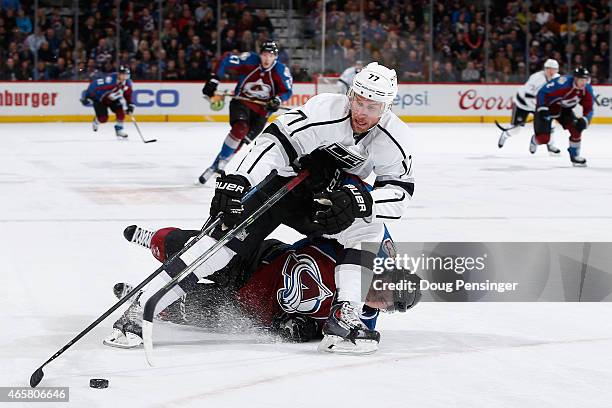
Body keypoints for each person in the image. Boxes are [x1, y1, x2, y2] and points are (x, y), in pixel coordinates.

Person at [109, 62, 415, 354]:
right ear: (350, 95)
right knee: (224, 240)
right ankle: (143, 305)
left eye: (372, 107)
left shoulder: (395, 138)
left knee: (369, 226)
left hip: (328, 205)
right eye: (358, 101)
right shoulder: (325, 109)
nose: (361, 112)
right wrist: (238, 180)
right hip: (287, 187)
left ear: (387, 107)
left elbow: (400, 194)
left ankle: (345, 317)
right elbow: (274, 142)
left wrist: (361, 201)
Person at [105, 223, 421, 348]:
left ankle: (142, 297)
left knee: (187, 309)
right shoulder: (364, 256)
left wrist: (299, 329)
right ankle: (154, 241)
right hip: (263, 259)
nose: (381, 298)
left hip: (250, 308)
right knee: (187, 246)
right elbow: (373, 226)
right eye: (388, 288)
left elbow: (327, 336)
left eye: (388, 303)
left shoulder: (358, 320)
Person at [198, 41, 293, 184]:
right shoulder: (250, 59)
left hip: (262, 112)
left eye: (271, 55)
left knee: (243, 140)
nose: (267, 58)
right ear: (260, 54)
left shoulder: (281, 70)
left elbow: (287, 91)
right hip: (241, 102)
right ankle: (222, 161)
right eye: (264, 54)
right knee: (240, 129)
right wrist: (214, 79)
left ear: (276, 57)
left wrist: (277, 100)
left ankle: (215, 165)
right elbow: (226, 59)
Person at [533, 67, 595, 166]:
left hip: (564, 110)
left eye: (585, 79)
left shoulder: (587, 89)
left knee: (577, 129)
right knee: (543, 139)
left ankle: (575, 156)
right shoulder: (563, 83)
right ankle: (535, 139)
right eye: (581, 79)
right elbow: (542, 92)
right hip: (548, 107)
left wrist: (585, 119)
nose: (584, 82)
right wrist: (542, 108)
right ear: (575, 78)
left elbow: (589, 108)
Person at [498, 59, 559, 150]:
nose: (551, 71)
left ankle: (550, 145)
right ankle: (505, 134)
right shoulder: (536, 78)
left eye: (554, 69)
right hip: (522, 103)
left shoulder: (557, 79)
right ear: (545, 69)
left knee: (552, 124)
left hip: (537, 105)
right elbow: (528, 96)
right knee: (516, 130)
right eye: (549, 69)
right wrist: (539, 109)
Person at [81, 66, 134, 139]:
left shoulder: (128, 82)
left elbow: (128, 94)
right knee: (103, 119)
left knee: (120, 112)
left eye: (127, 75)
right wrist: (87, 96)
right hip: (99, 99)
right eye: (123, 75)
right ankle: (96, 120)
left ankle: (119, 130)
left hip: (112, 98)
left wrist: (130, 104)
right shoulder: (110, 80)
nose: (125, 77)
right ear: (119, 74)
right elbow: (94, 84)